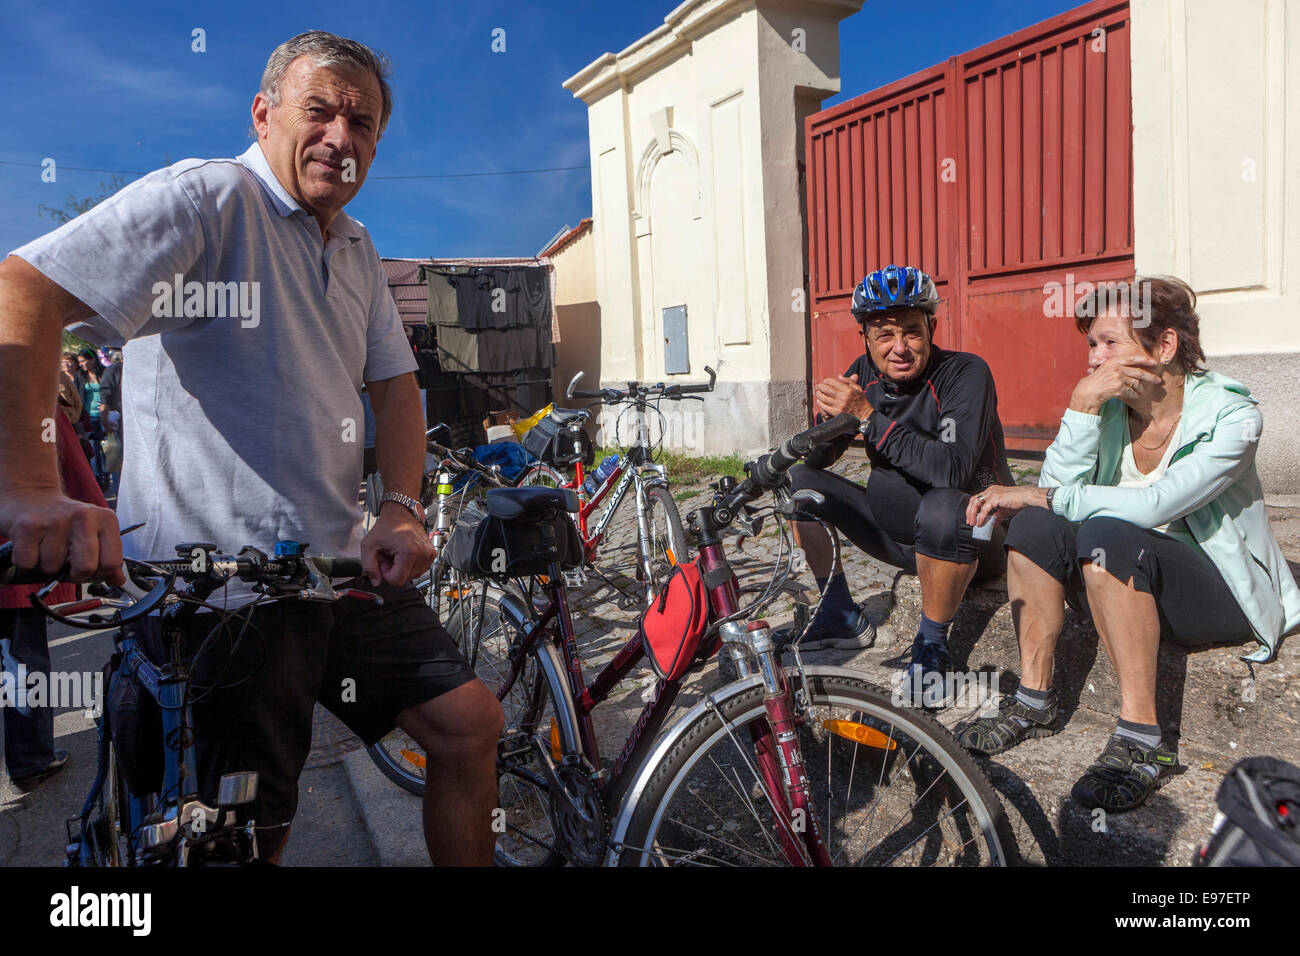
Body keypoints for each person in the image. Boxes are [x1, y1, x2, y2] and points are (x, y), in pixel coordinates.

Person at [0, 30, 503, 864]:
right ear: (264, 114)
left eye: (364, 122)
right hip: (222, 595)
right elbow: (24, 291)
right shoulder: (208, 201)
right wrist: (26, 488)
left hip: (337, 573)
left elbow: (396, 388)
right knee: (245, 836)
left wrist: (403, 508)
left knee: (469, 725)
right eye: (321, 111)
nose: (342, 136)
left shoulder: (356, 246)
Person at [956, 276, 1300, 812]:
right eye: (1091, 344)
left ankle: (1144, 741)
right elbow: (1058, 485)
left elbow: (1158, 505)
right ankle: (1032, 701)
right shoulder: (1112, 409)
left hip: (1216, 589)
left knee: (1103, 533)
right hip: (1121, 574)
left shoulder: (1234, 417)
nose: (1094, 360)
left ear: (1164, 346)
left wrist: (1044, 495)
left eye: (1110, 343)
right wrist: (1080, 407)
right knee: (1031, 528)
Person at [780, 264, 1014, 705]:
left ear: (932, 328)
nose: (900, 347)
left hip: (977, 539)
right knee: (801, 484)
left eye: (911, 331)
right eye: (884, 335)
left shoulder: (966, 373)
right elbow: (818, 462)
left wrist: (868, 418)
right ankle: (838, 612)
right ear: (865, 339)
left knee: (944, 504)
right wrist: (828, 426)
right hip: (898, 538)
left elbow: (951, 471)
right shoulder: (863, 374)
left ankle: (930, 645)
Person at [1, 396, 107, 789]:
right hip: (14, 555)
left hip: (15, 552)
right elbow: (73, 468)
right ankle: (30, 758)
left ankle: (31, 756)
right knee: (19, 660)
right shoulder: (26, 392)